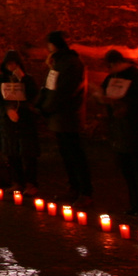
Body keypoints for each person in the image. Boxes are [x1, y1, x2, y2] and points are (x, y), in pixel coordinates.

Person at [101, 51, 138, 217]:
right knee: (128, 170)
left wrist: (125, 107)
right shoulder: (113, 77)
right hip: (120, 131)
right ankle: (135, 203)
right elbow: (106, 93)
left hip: (137, 130)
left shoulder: (137, 77)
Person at [38, 31, 93, 201]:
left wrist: (46, 107)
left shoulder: (70, 63)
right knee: (67, 154)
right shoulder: (59, 62)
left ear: (54, 45)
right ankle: (74, 187)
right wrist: (41, 104)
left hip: (68, 116)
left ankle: (84, 191)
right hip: (59, 116)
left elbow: (64, 91)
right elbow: (50, 87)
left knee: (75, 154)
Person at [0, 50, 40, 193]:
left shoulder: (27, 79)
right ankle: (17, 181)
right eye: (9, 64)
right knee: (11, 152)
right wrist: (6, 110)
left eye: (14, 64)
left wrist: (23, 80)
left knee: (28, 152)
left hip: (25, 120)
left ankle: (31, 183)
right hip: (7, 122)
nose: (11, 66)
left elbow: (34, 95)